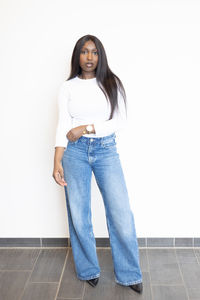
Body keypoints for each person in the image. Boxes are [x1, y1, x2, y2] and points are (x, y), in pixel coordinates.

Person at [52, 34, 143, 294]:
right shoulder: (67, 87)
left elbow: (119, 121)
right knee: (79, 214)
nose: (89, 57)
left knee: (120, 212)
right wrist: (57, 159)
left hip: (106, 151)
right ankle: (88, 269)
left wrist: (86, 127)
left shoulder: (111, 83)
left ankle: (129, 274)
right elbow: (62, 125)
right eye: (84, 52)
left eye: (94, 52)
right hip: (74, 153)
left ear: (100, 56)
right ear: (77, 56)